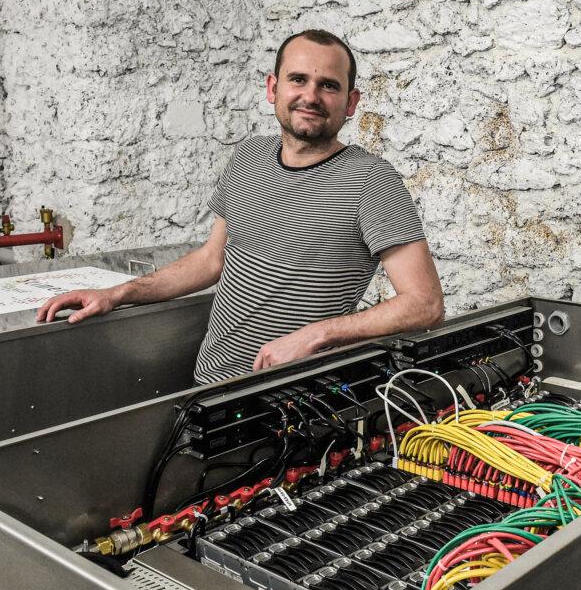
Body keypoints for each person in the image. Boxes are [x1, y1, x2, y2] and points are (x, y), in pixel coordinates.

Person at [36, 29, 444, 383]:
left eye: (329, 85)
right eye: (298, 79)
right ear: (272, 88)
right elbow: (211, 261)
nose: (311, 96)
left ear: (350, 102)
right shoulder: (248, 157)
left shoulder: (372, 180)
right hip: (207, 384)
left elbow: (425, 305)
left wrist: (315, 335)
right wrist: (116, 294)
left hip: (292, 397)